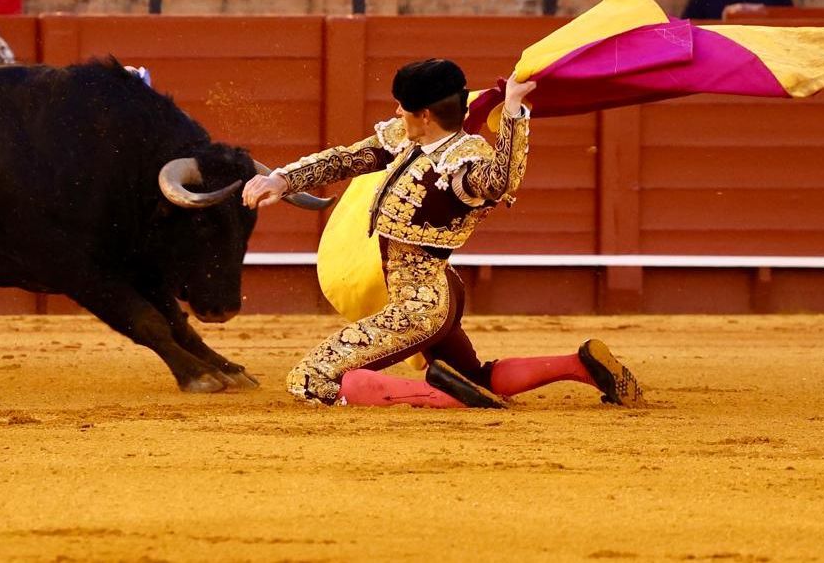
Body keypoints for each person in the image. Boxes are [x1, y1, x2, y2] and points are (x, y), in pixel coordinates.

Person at [244, 58, 643, 410]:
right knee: (474, 375)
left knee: (310, 379)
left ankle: (450, 399)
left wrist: (514, 111)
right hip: (438, 293)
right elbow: (347, 159)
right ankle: (578, 366)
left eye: (403, 106)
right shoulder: (408, 143)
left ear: (425, 114)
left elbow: (500, 182)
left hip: (418, 310)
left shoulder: (463, 166)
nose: (397, 111)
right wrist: (282, 180)